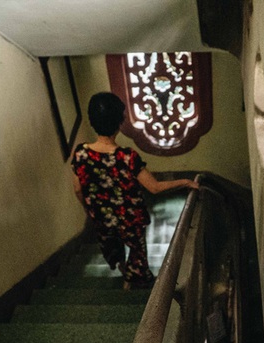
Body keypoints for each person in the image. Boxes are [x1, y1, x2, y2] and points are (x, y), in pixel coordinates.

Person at [71, 92, 199, 289]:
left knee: (113, 247)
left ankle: (124, 270)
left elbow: (78, 189)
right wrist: (184, 182)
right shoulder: (127, 157)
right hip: (130, 219)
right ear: (119, 123)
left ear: (92, 121)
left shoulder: (80, 154)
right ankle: (135, 279)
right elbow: (154, 188)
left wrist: (91, 211)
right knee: (136, 251)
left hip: (102, 218)